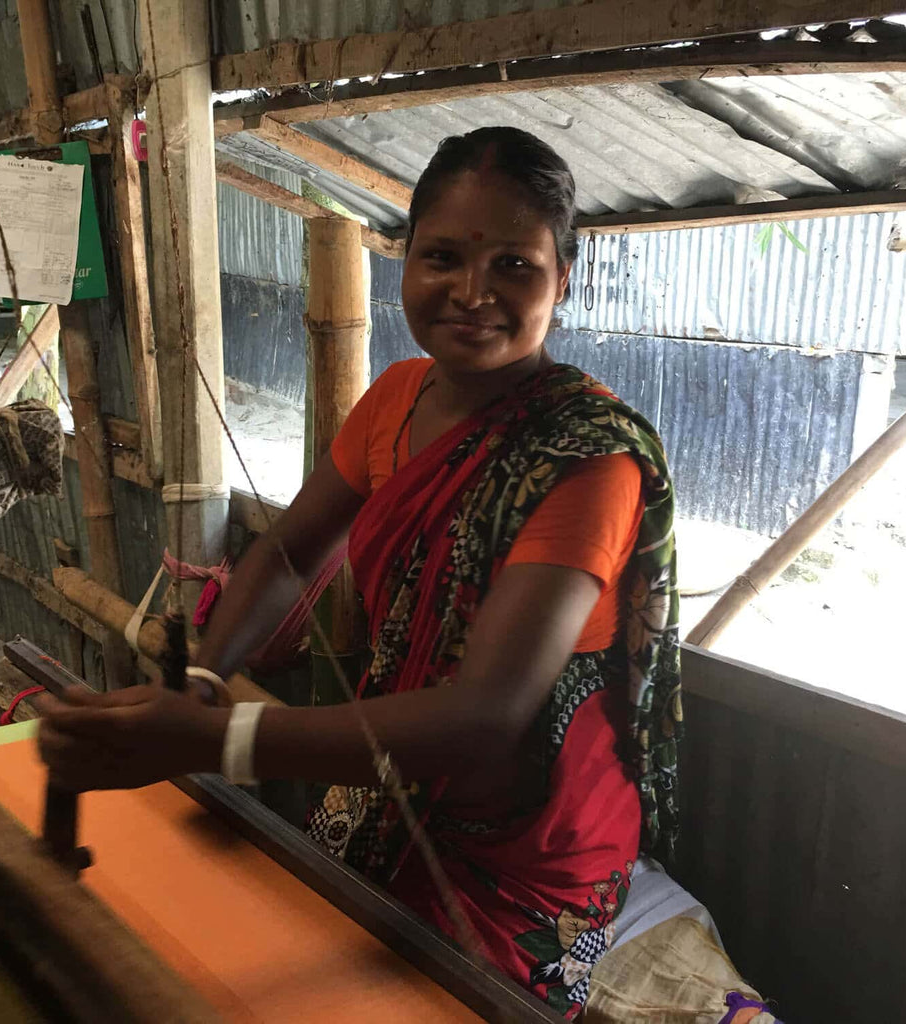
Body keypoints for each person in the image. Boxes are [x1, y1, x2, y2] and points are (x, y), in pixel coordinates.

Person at [39, 126, 681, 1019]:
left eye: (513, 266)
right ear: (405, 260)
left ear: (561, 280)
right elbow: (291, 552)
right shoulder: (396, 396)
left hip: (526, 846)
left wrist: (217, 743)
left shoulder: (585, 463)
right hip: (390, 779)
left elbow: (483, 716)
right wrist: (198, 682)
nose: (472, 293)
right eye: (443, 258)